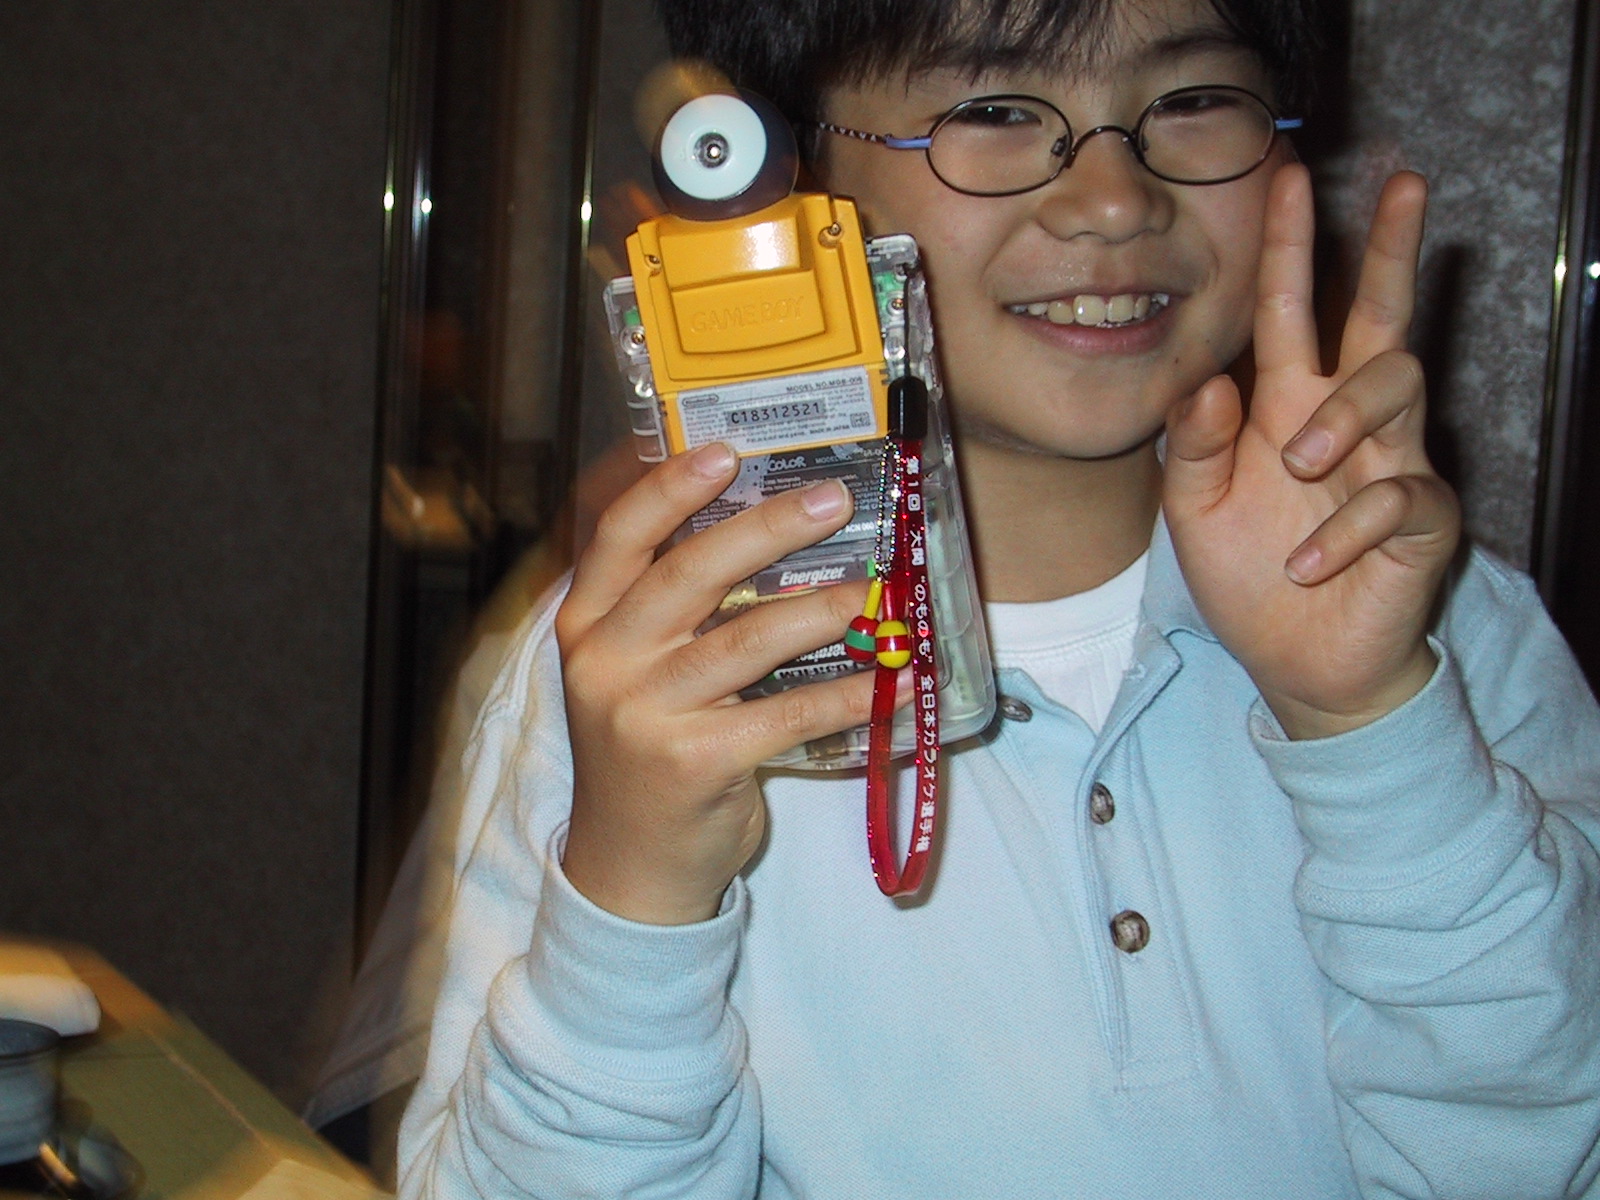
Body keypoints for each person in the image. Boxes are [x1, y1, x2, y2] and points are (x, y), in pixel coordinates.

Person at [397, 0, 1600, 1195]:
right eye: (992, 110)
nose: (1113, 200)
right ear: (791, 171)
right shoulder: (645, 689)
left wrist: (1368, 727)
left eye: (1191, 101)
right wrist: (637, 901)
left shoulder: (1437, 624)